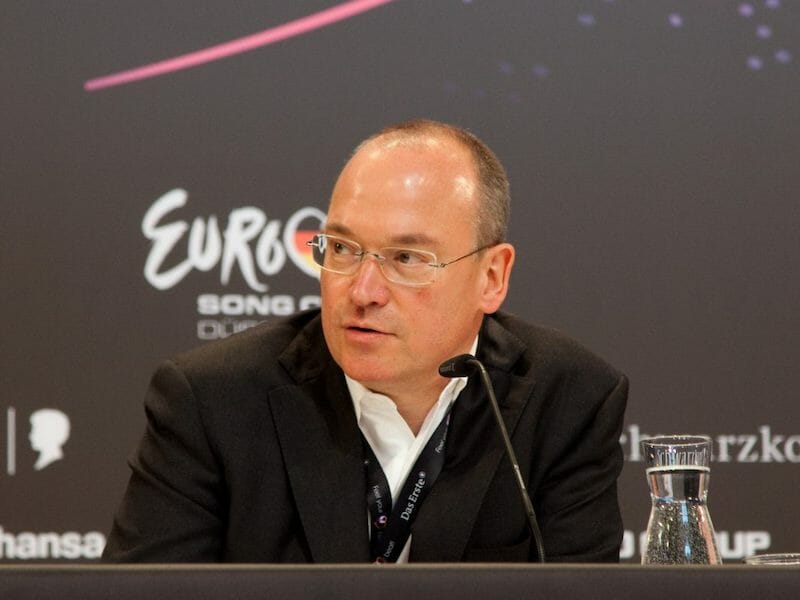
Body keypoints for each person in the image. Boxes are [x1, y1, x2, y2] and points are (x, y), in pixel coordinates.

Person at [102, 119, 628, 563]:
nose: (363, 291)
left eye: (407, 259)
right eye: (344, 249)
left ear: (492, 275)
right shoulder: (212, 401)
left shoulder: (568, 399)